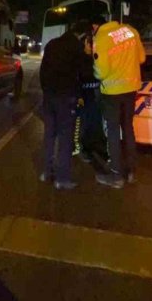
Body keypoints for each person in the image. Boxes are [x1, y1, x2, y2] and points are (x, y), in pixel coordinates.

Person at [92, 16, 146, 189]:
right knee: (128, 127)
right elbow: (142, 58)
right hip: (131, 88)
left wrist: (95, 70)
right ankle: (130, 172)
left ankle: (116, 175)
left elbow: (101, 72)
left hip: (112, 92)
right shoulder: (131, 31)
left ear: (96, 25)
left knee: (113, 131)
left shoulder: (100, 37)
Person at [39, 21, 86, 189]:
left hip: (49, 96)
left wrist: (46, 90)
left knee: (49, 135)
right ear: (81, 35)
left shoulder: (52, 44)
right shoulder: (77, 47)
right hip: (66, 98)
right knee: (65, 138)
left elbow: (42, 70)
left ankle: (46, 172)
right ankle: (62, 179)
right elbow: (83, 73)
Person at [73, 24, 107, 162]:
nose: (93, 46)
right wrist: (78, 96)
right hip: (84, 96)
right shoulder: (79, 59)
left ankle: (94, 147)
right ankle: (80, 147)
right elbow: (76, 78)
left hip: (95, 96)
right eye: (91, 43)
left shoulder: (97, 57)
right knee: (83, 124)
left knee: (95, 123)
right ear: (86, 43)